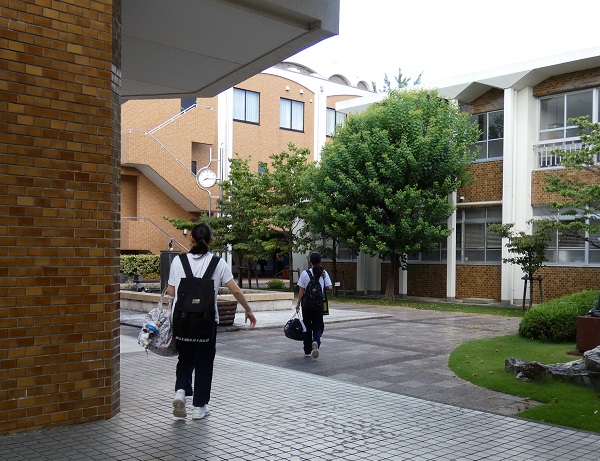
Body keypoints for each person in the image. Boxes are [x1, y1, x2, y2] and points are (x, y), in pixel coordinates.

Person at [167, 223, 257, 420]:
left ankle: (180, 392)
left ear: (191, 238)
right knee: (204, 363)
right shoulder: (218, 263)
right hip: (205, 322)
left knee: (185, 359)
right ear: (211, 240)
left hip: (181, 320)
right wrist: (248, 310)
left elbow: (171, 292)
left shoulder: (178, 261)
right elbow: (235, 290)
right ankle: (199, 408)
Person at [295, 252, 332, 359]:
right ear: (320, 261)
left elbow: (301, 290)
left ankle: (307, 350)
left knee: (306, 326)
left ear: (310, 261)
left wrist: (298, 303)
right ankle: (316, 341)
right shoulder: (323, 273)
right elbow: (330, 287)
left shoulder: (304, 273)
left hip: (306, 304)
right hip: (319, 305)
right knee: (318, 325)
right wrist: (323, 278)